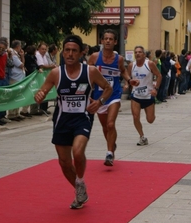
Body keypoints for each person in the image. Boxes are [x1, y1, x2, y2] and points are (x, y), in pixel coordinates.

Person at [34, 35, 113, 209]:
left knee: (77, 152)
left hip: (82, 118)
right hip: (62, 120)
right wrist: (39, 96)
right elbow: (42, 91)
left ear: (80, 53)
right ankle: (79, 187)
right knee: (64, 161)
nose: (70, 54)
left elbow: (108, 88)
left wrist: (99, 102)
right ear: (63, 52)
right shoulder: (56, 73)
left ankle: (80, 180)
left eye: (74, 51)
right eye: (67, 50)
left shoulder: (90, 71)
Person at [88, 29, 137, 166]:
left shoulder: (119, 59)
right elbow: (87, 74)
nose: (108, 41)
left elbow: (122, 71)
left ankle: (109, 153)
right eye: (106, 38)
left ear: (115, 42)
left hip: (114, 94)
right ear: (102, 41)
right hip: (99, 96)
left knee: (110, 124)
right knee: (105, 127)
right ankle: (111, 144)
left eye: (111, 39)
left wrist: (129, 80)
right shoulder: (94, 57)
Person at [127, 46, 162, 146]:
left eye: (140, 52)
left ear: (144, 54)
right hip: (136, 95)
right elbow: (128, 78)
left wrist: (156, 89)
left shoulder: (149, 64)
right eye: (136, 52)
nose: (137, 54)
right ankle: (142, 137)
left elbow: (159, 76)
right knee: (135, 116)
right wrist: (127, 84)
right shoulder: (131, 65)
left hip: (148, 95)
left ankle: (151, 113)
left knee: (150, 120)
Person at [7, 40, 26, 122]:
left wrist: (21, 56)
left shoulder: (16, 54)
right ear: (17, 46)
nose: (21, 48)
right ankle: (11, 114)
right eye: (20, 46)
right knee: (13, 97)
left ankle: (16, 113)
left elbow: (22, 64)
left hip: (19, 78)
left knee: (18, 97)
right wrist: (22, 57)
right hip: (15, 78)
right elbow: (21, 65)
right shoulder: (13, 54)